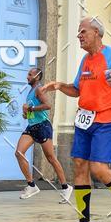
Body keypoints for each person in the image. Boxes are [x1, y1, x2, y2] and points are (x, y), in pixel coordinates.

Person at [42, 16, 111, 222]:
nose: (79, 36)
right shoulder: (86, 61)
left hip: (106, 119)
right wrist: (59, 86)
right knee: (79, 166)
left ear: (97, 33)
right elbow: (77, 89)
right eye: (79, 32)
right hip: (84, 120)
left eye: (83, 32)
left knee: (99, 168)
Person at [15, 66, 72, 202]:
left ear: (37, 77)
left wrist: (31, 108)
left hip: (43, 126)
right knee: (19, 153)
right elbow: (30, 112)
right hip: (32, 127)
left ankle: (65, 187)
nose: (27, 77)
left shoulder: (39, 90)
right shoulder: (30, 92)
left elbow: (48, 105)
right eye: (28, 74)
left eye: (30, 75)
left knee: (51, 158)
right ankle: (31, 185)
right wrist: (26, 113)